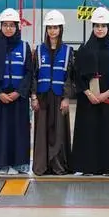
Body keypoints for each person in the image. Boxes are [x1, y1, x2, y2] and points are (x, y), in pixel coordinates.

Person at [72, 7, 109, 176]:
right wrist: (88, 93)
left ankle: (108, 168)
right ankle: (89, 167)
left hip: (108, 100)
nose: (100, 29)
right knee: (88, 133)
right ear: (92, 27)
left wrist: (107, 93)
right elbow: (76, 74)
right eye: (97, 26)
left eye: (103, 26)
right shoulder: (84, 49)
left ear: (108, 28)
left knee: (107, 134)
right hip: (88, 101)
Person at [0, 8, 32, 175]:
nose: (8, 29)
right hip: (1, 97)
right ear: (1, 26)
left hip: (19, 98)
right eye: (5, 25)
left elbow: (29, 73)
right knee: (1, 131)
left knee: (20, 132)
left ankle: (20, 163)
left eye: (12, 25)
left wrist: (19, 92)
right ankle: (0, 164)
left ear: (17, 27)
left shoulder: (25, 47)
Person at [31, 10, 74, 176]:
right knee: (42, 133)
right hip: (42, 97)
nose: (52, 31)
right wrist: (33, 96)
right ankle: (42, 166)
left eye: (55, 27)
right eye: (49, 27)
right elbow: (34, 75)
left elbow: (70, 76)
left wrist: (66, 97)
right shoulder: (39, 51)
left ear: (61, 29)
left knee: (59, 134)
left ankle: (58, 166)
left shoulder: (68, 51)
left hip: (59, 97)